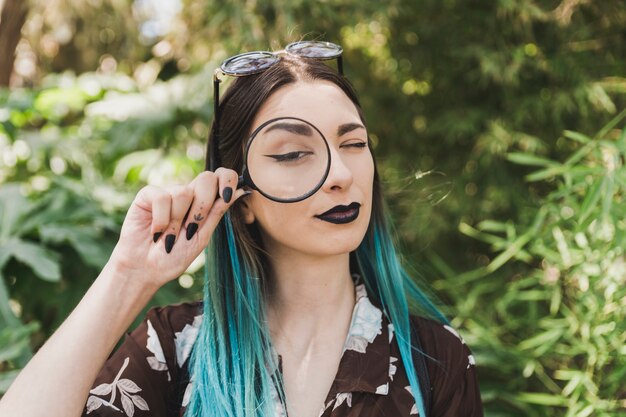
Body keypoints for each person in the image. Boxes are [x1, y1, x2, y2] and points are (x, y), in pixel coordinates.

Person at [0, 41, 483, 417]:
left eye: (354, 143)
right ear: (239, 195)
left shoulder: (433, 361)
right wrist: (129, 275)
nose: (340, 174)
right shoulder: (174, 350)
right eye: (293, 154)